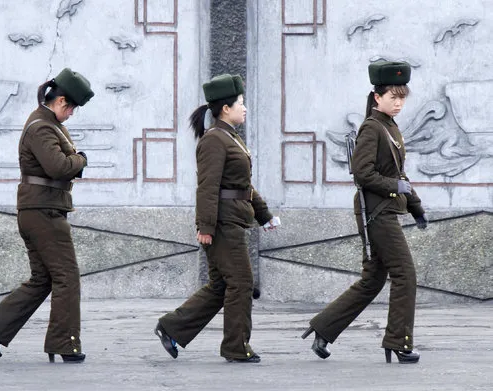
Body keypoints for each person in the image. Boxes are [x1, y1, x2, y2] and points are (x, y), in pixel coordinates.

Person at [302, 61, 428, 364]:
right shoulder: (372, 128)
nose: (398, 103)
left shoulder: (390, 126)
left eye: (402, 97)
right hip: (377, 214)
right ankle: (399, 342)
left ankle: (323, 328)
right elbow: (362, 173)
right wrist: (395, 187)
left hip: (384, 210)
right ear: (377, 97)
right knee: (405, 274)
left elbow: (400, 175)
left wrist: (416, 207)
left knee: (372, 281)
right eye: (392, 97)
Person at [154, 74, 279, 363]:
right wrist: (205, 227)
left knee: (222, 285)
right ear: (225, 108)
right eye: (240, 103)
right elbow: (208, 187)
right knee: (241, 283)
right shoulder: (214, 140)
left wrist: (264, 215)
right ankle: (236, 346)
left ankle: (171, 326)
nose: (244, 108)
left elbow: (242, 185)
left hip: (233, 220)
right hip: (222, 224)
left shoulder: (229, 137)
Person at [0, 68, 93, 364]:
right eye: (71, 108)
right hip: (44, 212)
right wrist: (81, 160)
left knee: (43, 278)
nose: (71, 114)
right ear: (61, 101)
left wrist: (73, 161)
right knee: (67, 276)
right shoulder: (42, 126)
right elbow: (58, 166)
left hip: (40, 209)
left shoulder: (46, 123)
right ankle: (65, 343)